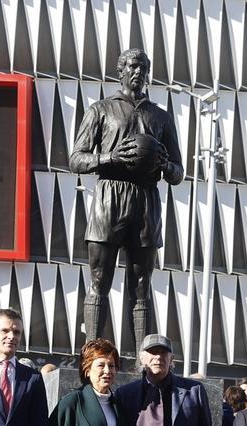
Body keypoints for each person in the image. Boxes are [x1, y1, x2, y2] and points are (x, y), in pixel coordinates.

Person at [69, 48, 184, 346]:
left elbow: (178, 172)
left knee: (142, 286)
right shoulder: (101, 109)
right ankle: (91, 353)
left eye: (143, 67)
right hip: (109, 196)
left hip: (146, 200)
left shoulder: (161, 117)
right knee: (99, 280)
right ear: (120, 71)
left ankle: (141, 361)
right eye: (133, 66)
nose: (138, 72)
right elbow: (76, 160)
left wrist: (164, 165)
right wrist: (109, 157)